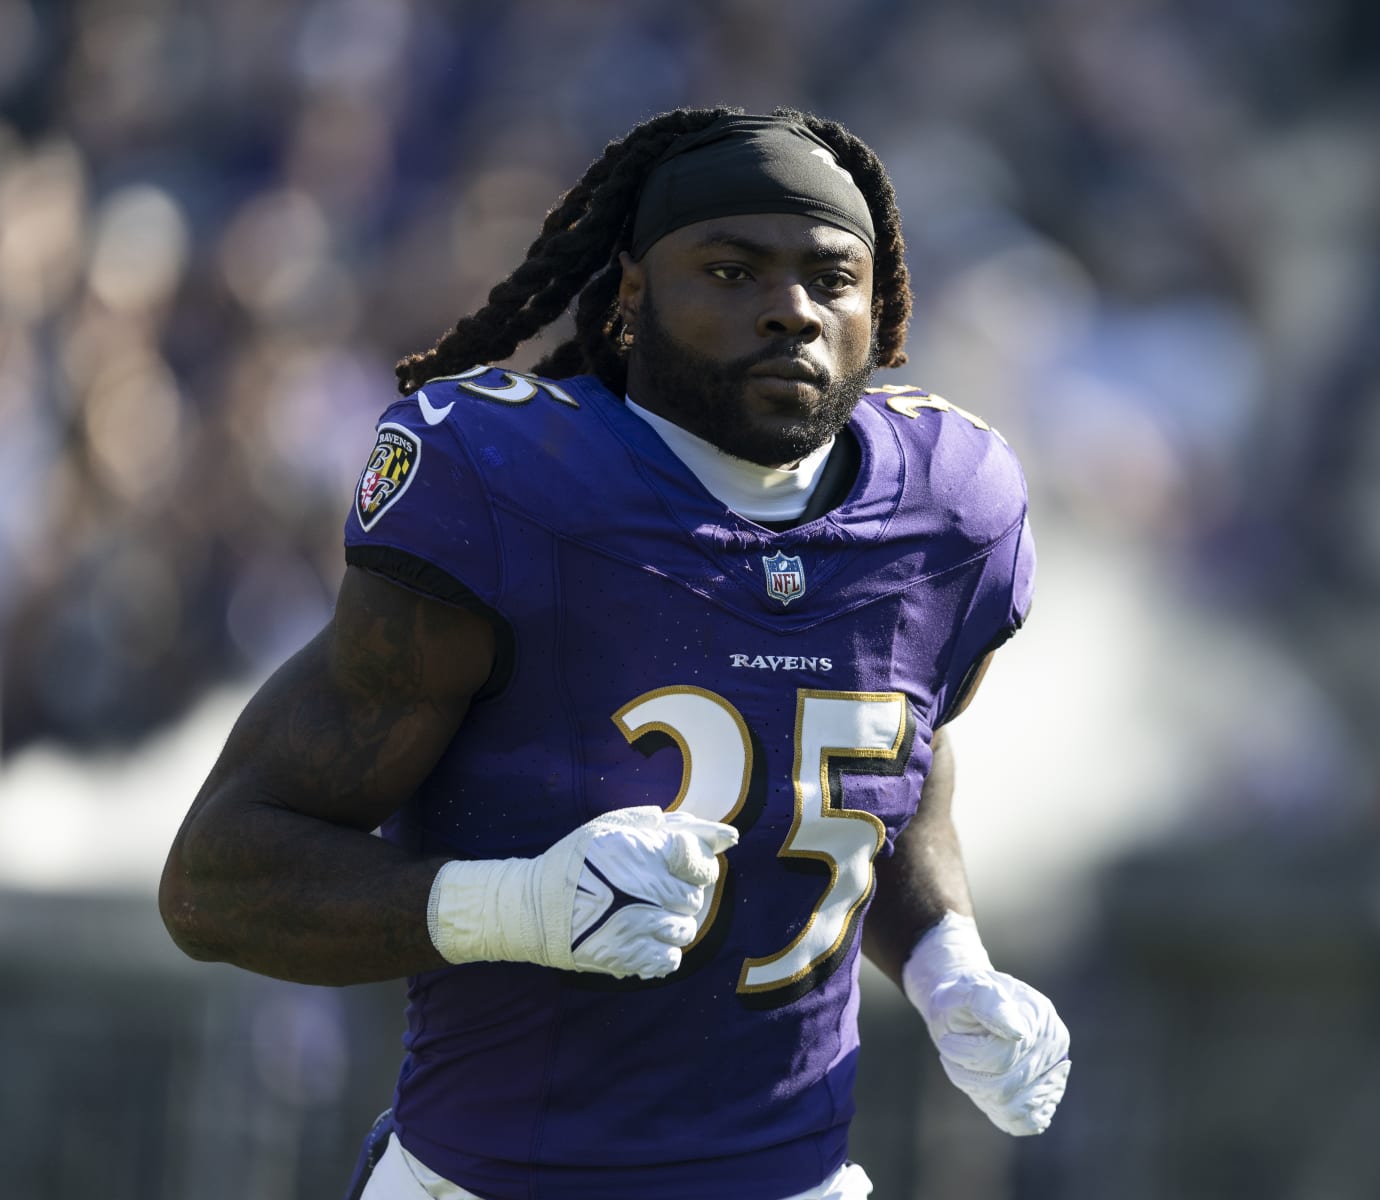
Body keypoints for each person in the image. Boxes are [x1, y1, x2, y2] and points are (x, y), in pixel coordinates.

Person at [159, 105, 1070, 1200]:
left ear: (879, 305)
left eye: (831, 278)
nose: (791, 309)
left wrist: (946, 960)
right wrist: (519, 908)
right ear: (632, 292)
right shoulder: (510, 484)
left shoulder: (947, 510)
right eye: (731, 272)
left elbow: (890, 763)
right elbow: (218, 881)